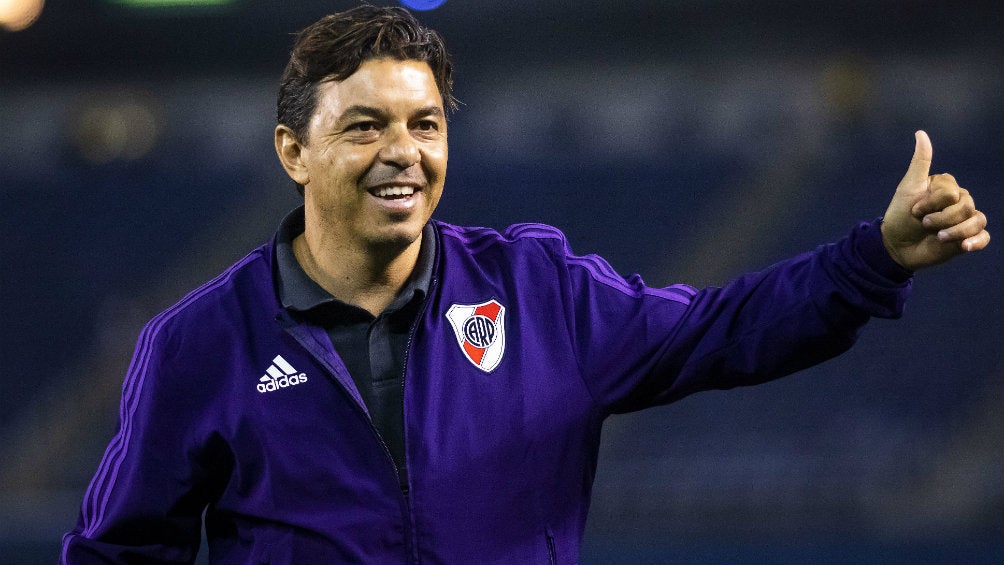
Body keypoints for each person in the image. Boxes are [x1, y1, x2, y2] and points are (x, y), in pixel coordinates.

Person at [61, 5, 990, 565]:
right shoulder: (197, 344)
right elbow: (118, 553)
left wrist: (876, 257)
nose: (403, 153)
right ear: (293, 152)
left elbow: (724, 329)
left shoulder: (537, 291)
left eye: (425, 124)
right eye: (365, 126)